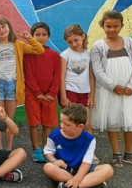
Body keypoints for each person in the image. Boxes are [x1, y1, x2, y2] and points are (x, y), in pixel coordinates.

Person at [91, 10, 132, 168]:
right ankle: (116, 155)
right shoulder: (98, 46)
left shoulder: (129, 43)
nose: (112, 29)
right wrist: (113, 86)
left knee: (131, 120)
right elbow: (97, 70)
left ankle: (129, 153)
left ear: (121, 26)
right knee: (112, 120)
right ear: (102, 26)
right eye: (108, 26)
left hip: (129, 91)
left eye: (115, 26)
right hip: (110, 91)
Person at [0, 15, 44, 151]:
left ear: (9, 28)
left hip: (13, 86)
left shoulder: (18, 45)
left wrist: (29, 38)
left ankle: (9, 148)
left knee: (9, 119)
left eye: (3, 26)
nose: (1, 30)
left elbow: (39, 50)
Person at [43, 104, 114, 188]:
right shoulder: (54, 136)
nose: (62, 126)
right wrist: (54, 160)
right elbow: (48, 151)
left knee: (108, 169)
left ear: (80, 126)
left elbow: (86, 162)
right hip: (63, 170)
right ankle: (87, 183)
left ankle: (70, 185)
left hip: (83, 169)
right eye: (61, 122)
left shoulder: (89, 139)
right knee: (48, 167)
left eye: (67, 124)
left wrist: (77, 178)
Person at [59, 24, 98, 164]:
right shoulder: (65, 54)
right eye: (70, 42)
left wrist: (91, 95)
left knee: (86, 125)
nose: (74, 44)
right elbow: (61, 77)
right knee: (68, 126)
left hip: (84, 93)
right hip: (70, 93)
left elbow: (91, 76)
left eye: (76, 40)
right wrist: (63, 96)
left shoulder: (89, 55)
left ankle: (90, 153)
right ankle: (67, 152)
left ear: (83, 36)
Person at [23, 22, 60, 163]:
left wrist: (51, 93)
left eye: (44, 35)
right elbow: (29, 75)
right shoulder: (28, 54)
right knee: (33, 122)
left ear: (49, 36)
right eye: (37, 35)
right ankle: (36, 149)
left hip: (50, 96)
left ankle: (46, 149)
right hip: (33, 94)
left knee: (47, 123)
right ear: (32, 36)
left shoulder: (54, 55)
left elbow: (57, 76)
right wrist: (37, 92)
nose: (41, 37)